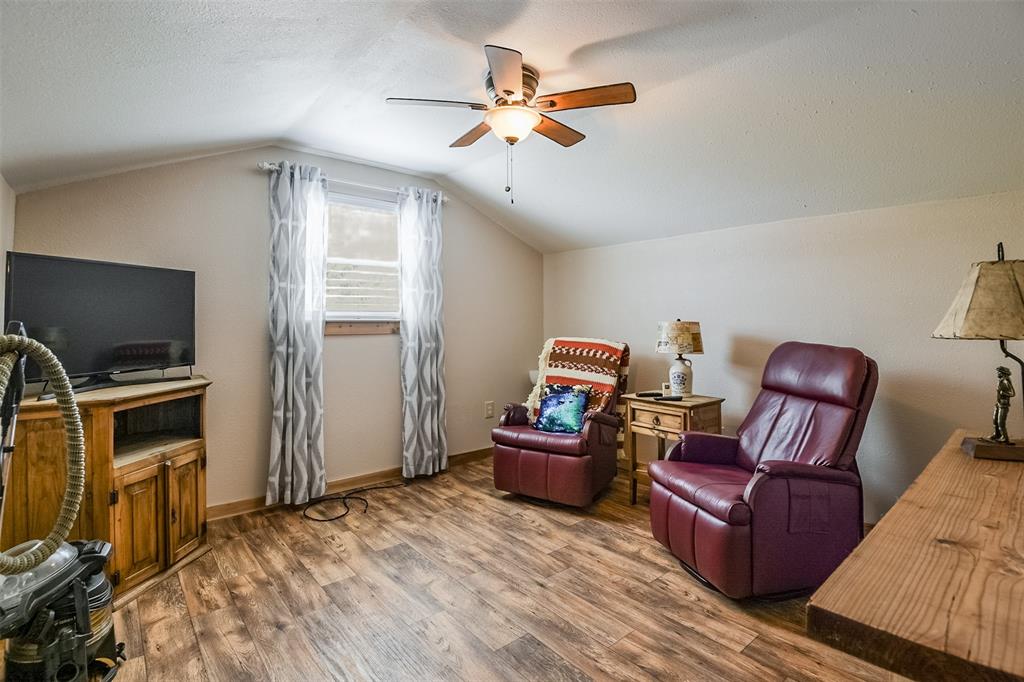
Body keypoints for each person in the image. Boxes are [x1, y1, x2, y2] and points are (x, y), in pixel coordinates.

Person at [988, 366, 1015, 444]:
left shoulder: (1006, 381)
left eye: (999, 372)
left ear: (1003, 373)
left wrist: (1003, 393)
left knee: (1001, 422)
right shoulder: (1000, 380)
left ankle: (1004, 438)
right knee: (995, 420)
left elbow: (1012, 393)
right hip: (998, 403)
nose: (997, 373)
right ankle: (997, 434)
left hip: (1004, 405)